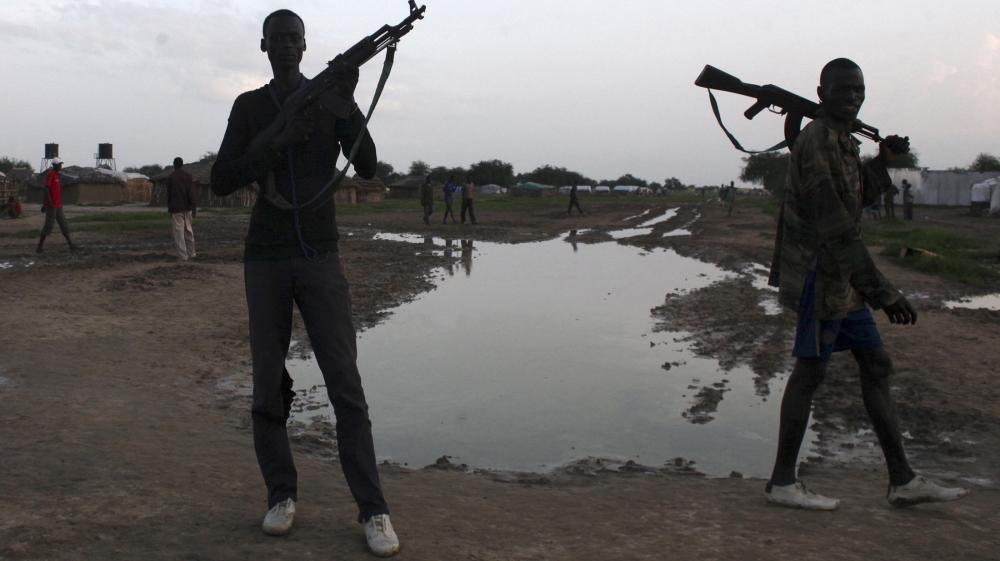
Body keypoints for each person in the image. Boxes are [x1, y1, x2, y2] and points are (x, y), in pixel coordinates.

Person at [209, 9, 398, 556]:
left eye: (296, 38)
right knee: (268, 385)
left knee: (345, 384)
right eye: (279, 38)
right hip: (266, 257)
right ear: (264, 46)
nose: (288, 46)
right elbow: (222, 179)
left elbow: (366, 164)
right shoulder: (249, 107)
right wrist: (276, 139)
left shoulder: (331, 101)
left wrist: (349, 102)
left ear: (306, 45)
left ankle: (374, 510)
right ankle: (281, 496)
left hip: (320, 255)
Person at [766, 58, 967, 510]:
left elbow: (856, 196)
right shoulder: (818, 141)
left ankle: (903, 480)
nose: (852, 96)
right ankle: (782, 483)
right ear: (822, 93)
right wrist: (884, 292)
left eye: (858, 89)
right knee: (811, 372)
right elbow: (835, 224)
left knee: (876, 364)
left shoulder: (843, 141)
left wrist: (884, 162)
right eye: (842, 89)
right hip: (821, 273)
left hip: (843, 280)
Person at [36, 158, 76, 254]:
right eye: (58, 164)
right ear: (53, 165)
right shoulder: (51, 174)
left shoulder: (57, 175)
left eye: (60, 164)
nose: (60, 166)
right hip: (52, 206)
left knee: (64, 224)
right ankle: (39, 247)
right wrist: (48, 203)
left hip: (57, 205)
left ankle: (71, 246)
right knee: (48, 225)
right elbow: (46, 189)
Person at [166, 157, 197, 260]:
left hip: (176, 208)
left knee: (179, 233)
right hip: (187, 208)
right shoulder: (188, 176)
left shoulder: (171, 178)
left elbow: (169, 195)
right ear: (182, 165)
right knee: (188, 230)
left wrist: (170, 208)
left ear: (174, 164)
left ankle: (183, 256)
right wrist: (194, 207)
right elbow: (191, 193)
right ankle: (192, 253)